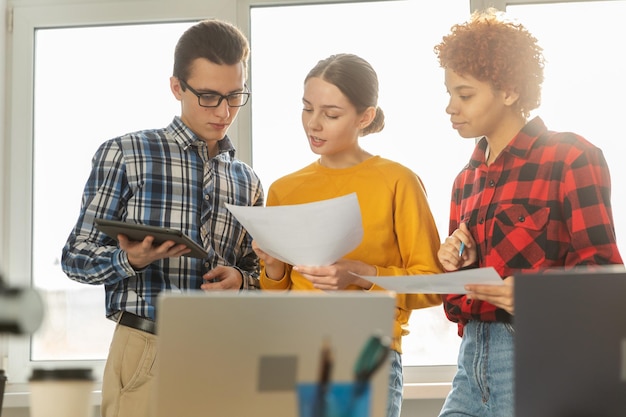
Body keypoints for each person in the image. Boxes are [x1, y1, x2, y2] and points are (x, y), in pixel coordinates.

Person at [61, 19, 263, 417]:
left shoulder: (248, 182)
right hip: (147, 351)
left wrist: (241, 281)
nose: (224, 111)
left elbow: (261, 274)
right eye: (208, 96)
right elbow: (75, 258)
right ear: (176, 88)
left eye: (235, 96)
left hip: (226, 355)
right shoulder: (126, 153)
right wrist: (129, 259)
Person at [433, 9, 623, 417]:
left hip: (538, 353)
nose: (450, 107)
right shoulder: (465, 180)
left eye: (464, 95)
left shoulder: (571, 156)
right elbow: (456, 305)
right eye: (449, 93)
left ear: (509, 91)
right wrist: (456, 266)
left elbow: (604, 274)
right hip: (470, 362)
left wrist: (534, 298)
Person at [251, 53, 443, 417]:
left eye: (331, 114)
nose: (314, 124)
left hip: (366, 354)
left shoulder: (397, 181)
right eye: (307, 109)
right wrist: (273, 267)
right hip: (294, 353)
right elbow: (278, 294)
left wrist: (360, 274)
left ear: (365, 116)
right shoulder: (284, 189)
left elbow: (433, 285)